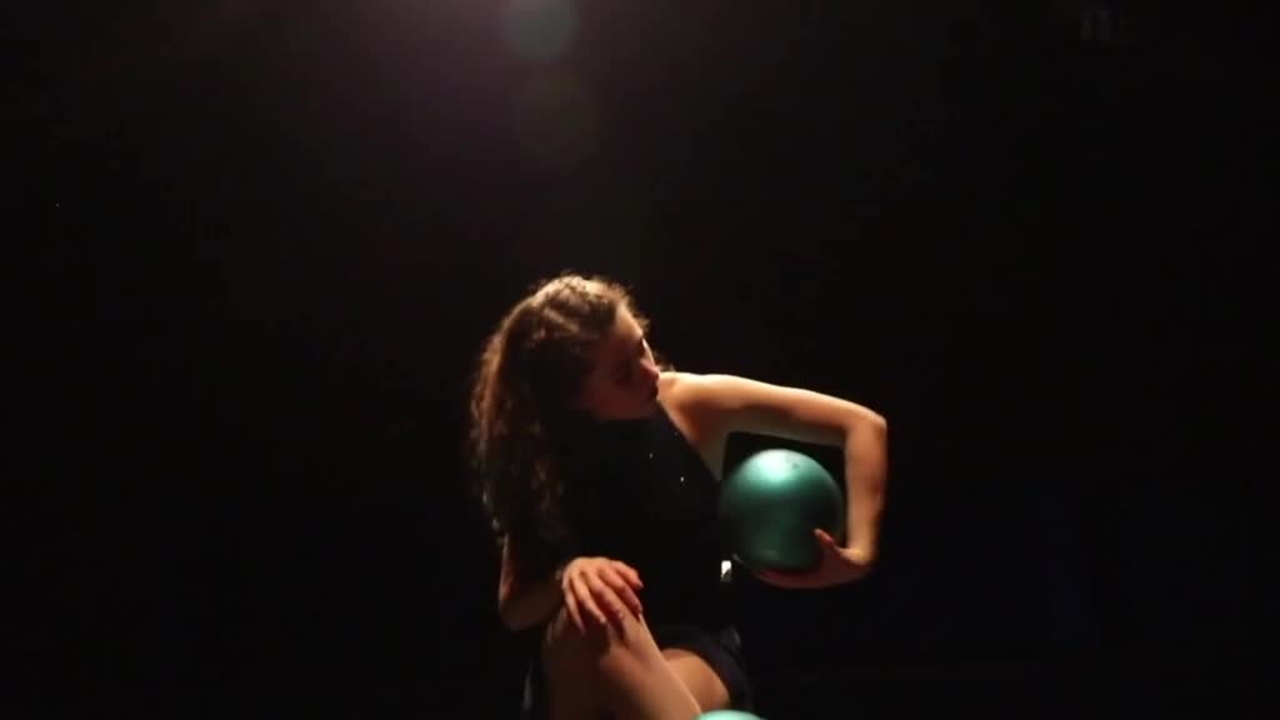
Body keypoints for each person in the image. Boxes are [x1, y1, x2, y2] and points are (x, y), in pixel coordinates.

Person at [467, 272, 889, 720]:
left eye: (642, 346)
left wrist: (860, 554)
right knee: (594, 608)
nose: (651, 371)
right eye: (623, 374)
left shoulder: (690, 405)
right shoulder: (541, 460)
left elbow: (862, 425)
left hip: (694, 647)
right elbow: (515, 608)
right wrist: (568, 575)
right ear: (573, 401)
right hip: (580, 661)